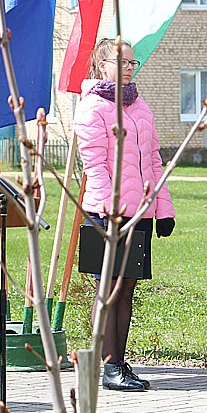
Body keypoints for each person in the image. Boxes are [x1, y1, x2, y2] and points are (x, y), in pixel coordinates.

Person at [74, 38, 176, 391]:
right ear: (103, 66)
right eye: (123, 62)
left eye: (133, 62)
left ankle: (119, 360)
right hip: (107, 214)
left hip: (140, 214)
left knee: (127, 288)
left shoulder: (140, 107)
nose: (131, 67)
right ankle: (108, 365)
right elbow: (95, 165)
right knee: (109, 291)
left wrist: (162, 208)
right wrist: (110, 207)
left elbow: (153, 161)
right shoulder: (92, 108)